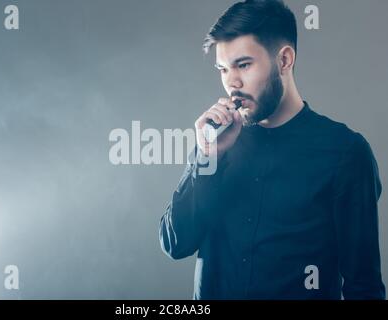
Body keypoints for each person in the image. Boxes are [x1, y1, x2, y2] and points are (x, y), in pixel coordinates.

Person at [159, 0, 385, 300]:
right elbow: (176, 245)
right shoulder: (215, 144)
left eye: (243, 65)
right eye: (223, 69)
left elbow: (364, 287)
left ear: (284, 60)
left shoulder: (345, 153)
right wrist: (208, 158)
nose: (232, 82)